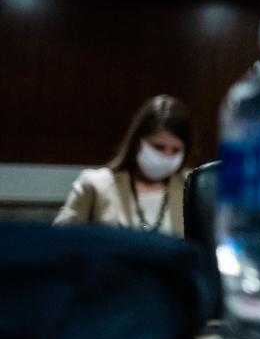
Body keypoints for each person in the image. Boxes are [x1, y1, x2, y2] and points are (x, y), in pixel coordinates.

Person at [54, 95, 192, 237]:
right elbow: (59, 241)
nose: (166, 156)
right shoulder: (95, 185)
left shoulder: (193, 190)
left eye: (175, 150)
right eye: (159, 147)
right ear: (137, 143)